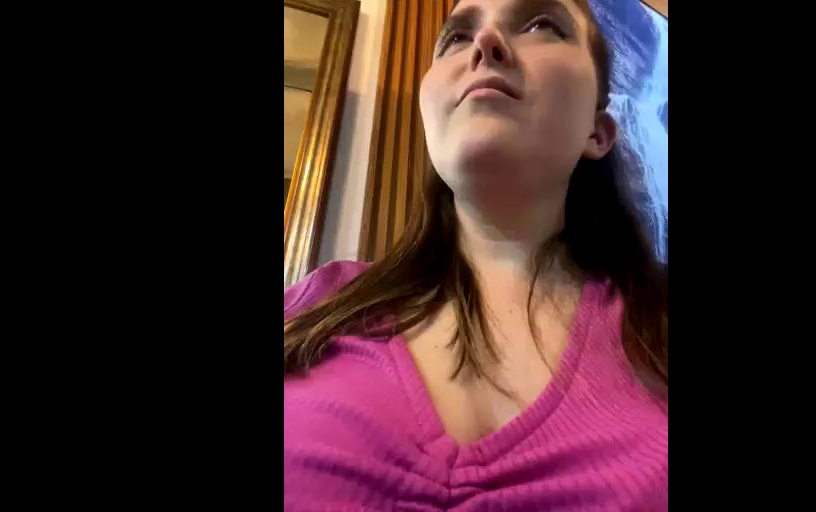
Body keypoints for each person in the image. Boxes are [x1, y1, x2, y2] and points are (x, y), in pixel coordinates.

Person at [284, 0, 667, 509]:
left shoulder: (658, 323)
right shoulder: (312, 306)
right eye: (456, 38)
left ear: (597, 133)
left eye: (541, 24)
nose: (485, 43)